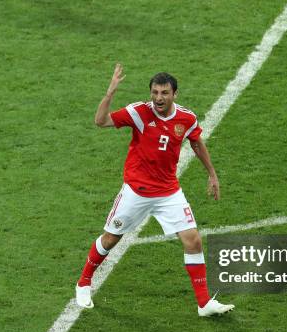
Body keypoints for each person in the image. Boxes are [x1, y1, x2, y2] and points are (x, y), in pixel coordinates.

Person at [75, 63, 234, 317]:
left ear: (175, 94)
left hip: (168, 192)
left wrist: (212, 174)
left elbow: (196, 143)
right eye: (155, 93)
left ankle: (203, 303)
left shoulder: (186, 118)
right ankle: (83, 283)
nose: (158, 98)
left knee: (193, 240)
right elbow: (100, 121)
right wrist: (110, 94)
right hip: (136, 192)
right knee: (110, 239)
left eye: (164, 93)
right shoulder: (139, 112)